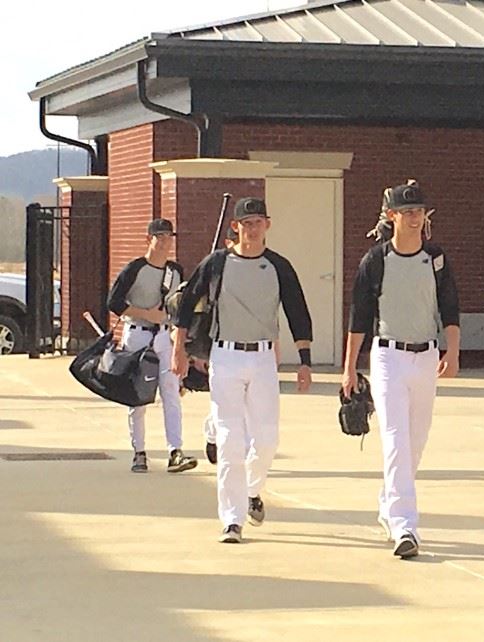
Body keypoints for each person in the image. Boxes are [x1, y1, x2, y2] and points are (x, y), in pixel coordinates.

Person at [172, 197, 313, 544]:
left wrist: (305, 360)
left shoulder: (278, 266)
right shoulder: (217, 263)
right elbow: (187, 302)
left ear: (268, 224)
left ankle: (252, 490)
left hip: (264, 357)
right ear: (235, 227)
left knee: (266, 439)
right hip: (226, 356)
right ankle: (232, 519)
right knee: (230, 439)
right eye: (245, 223)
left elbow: (297, 309)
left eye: (257, 222)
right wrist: (179, 349)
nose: (252, 228)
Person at [341, 180, 460, 559]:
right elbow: (359, 318)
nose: (414, 218)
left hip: (426, 356)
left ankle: (388, 502)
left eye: (419, 211)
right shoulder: (375, 261)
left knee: (416, 441)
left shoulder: (436, 259)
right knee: (394, 439)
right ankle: (404, 526)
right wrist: (349, 369)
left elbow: (450, 307)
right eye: (406, 212)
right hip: (388, 356)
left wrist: (453, 351)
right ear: (390, 217)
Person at [107, 218, 198, 474]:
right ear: (149, 239)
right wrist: (146, 314)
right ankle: (139, 452)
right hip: (137, 334)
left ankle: (175, 451)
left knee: (171, 393)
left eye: (170, 237)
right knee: (138, 397)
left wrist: (183, 347)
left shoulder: (176, 270)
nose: (166, 242)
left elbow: (183, 306)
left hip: (164, 337)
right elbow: (114, 302)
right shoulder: (134, 269)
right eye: (161, 237)